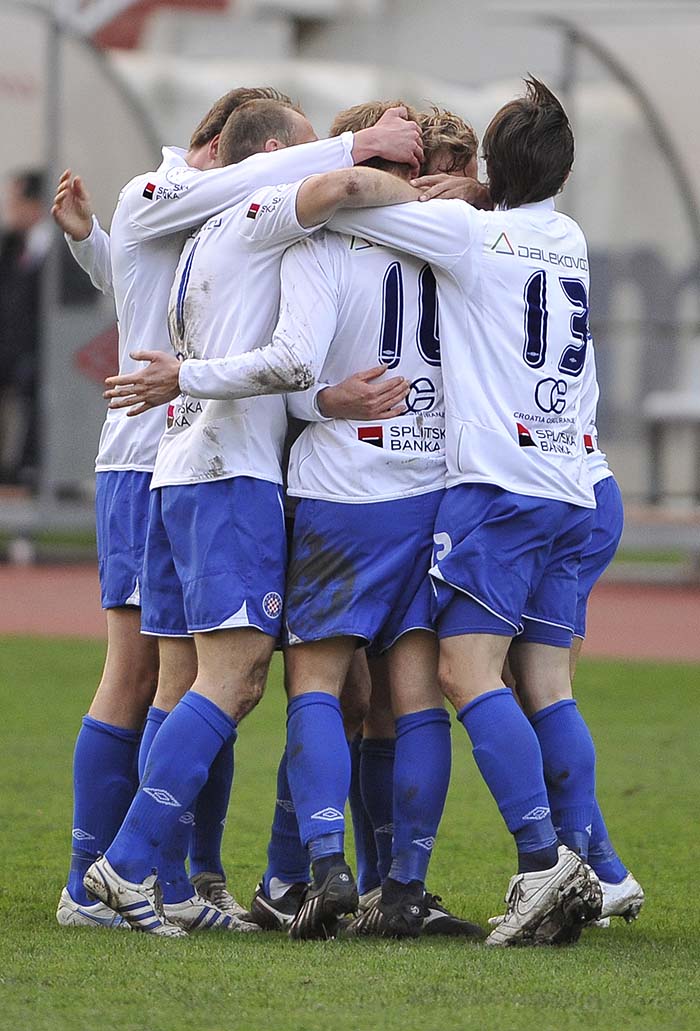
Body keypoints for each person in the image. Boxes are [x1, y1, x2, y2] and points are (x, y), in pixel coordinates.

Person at [53, 86, 423, 931]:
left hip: (198, 462)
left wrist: (323, 403)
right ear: (258, 157)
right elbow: (328, 190)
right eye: (295, 148)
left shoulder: (209, 227)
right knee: (208, 677)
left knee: (193, 681)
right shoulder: (198, 202)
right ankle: (111, 872)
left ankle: (169, 880)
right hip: (207, 469)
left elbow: (178, 309)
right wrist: (404, 175)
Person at [323, 78, 605, 946]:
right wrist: (487, 194)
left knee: (463, 674)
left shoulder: (466, 231)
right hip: (573, 483)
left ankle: (541, 861)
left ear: (489, 163)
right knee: (544, 683)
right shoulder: (571, 236)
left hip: (500, 485)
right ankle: (593, 863)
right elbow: (512, 218)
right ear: (561, 167)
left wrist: (401, 180)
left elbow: (359, 198)